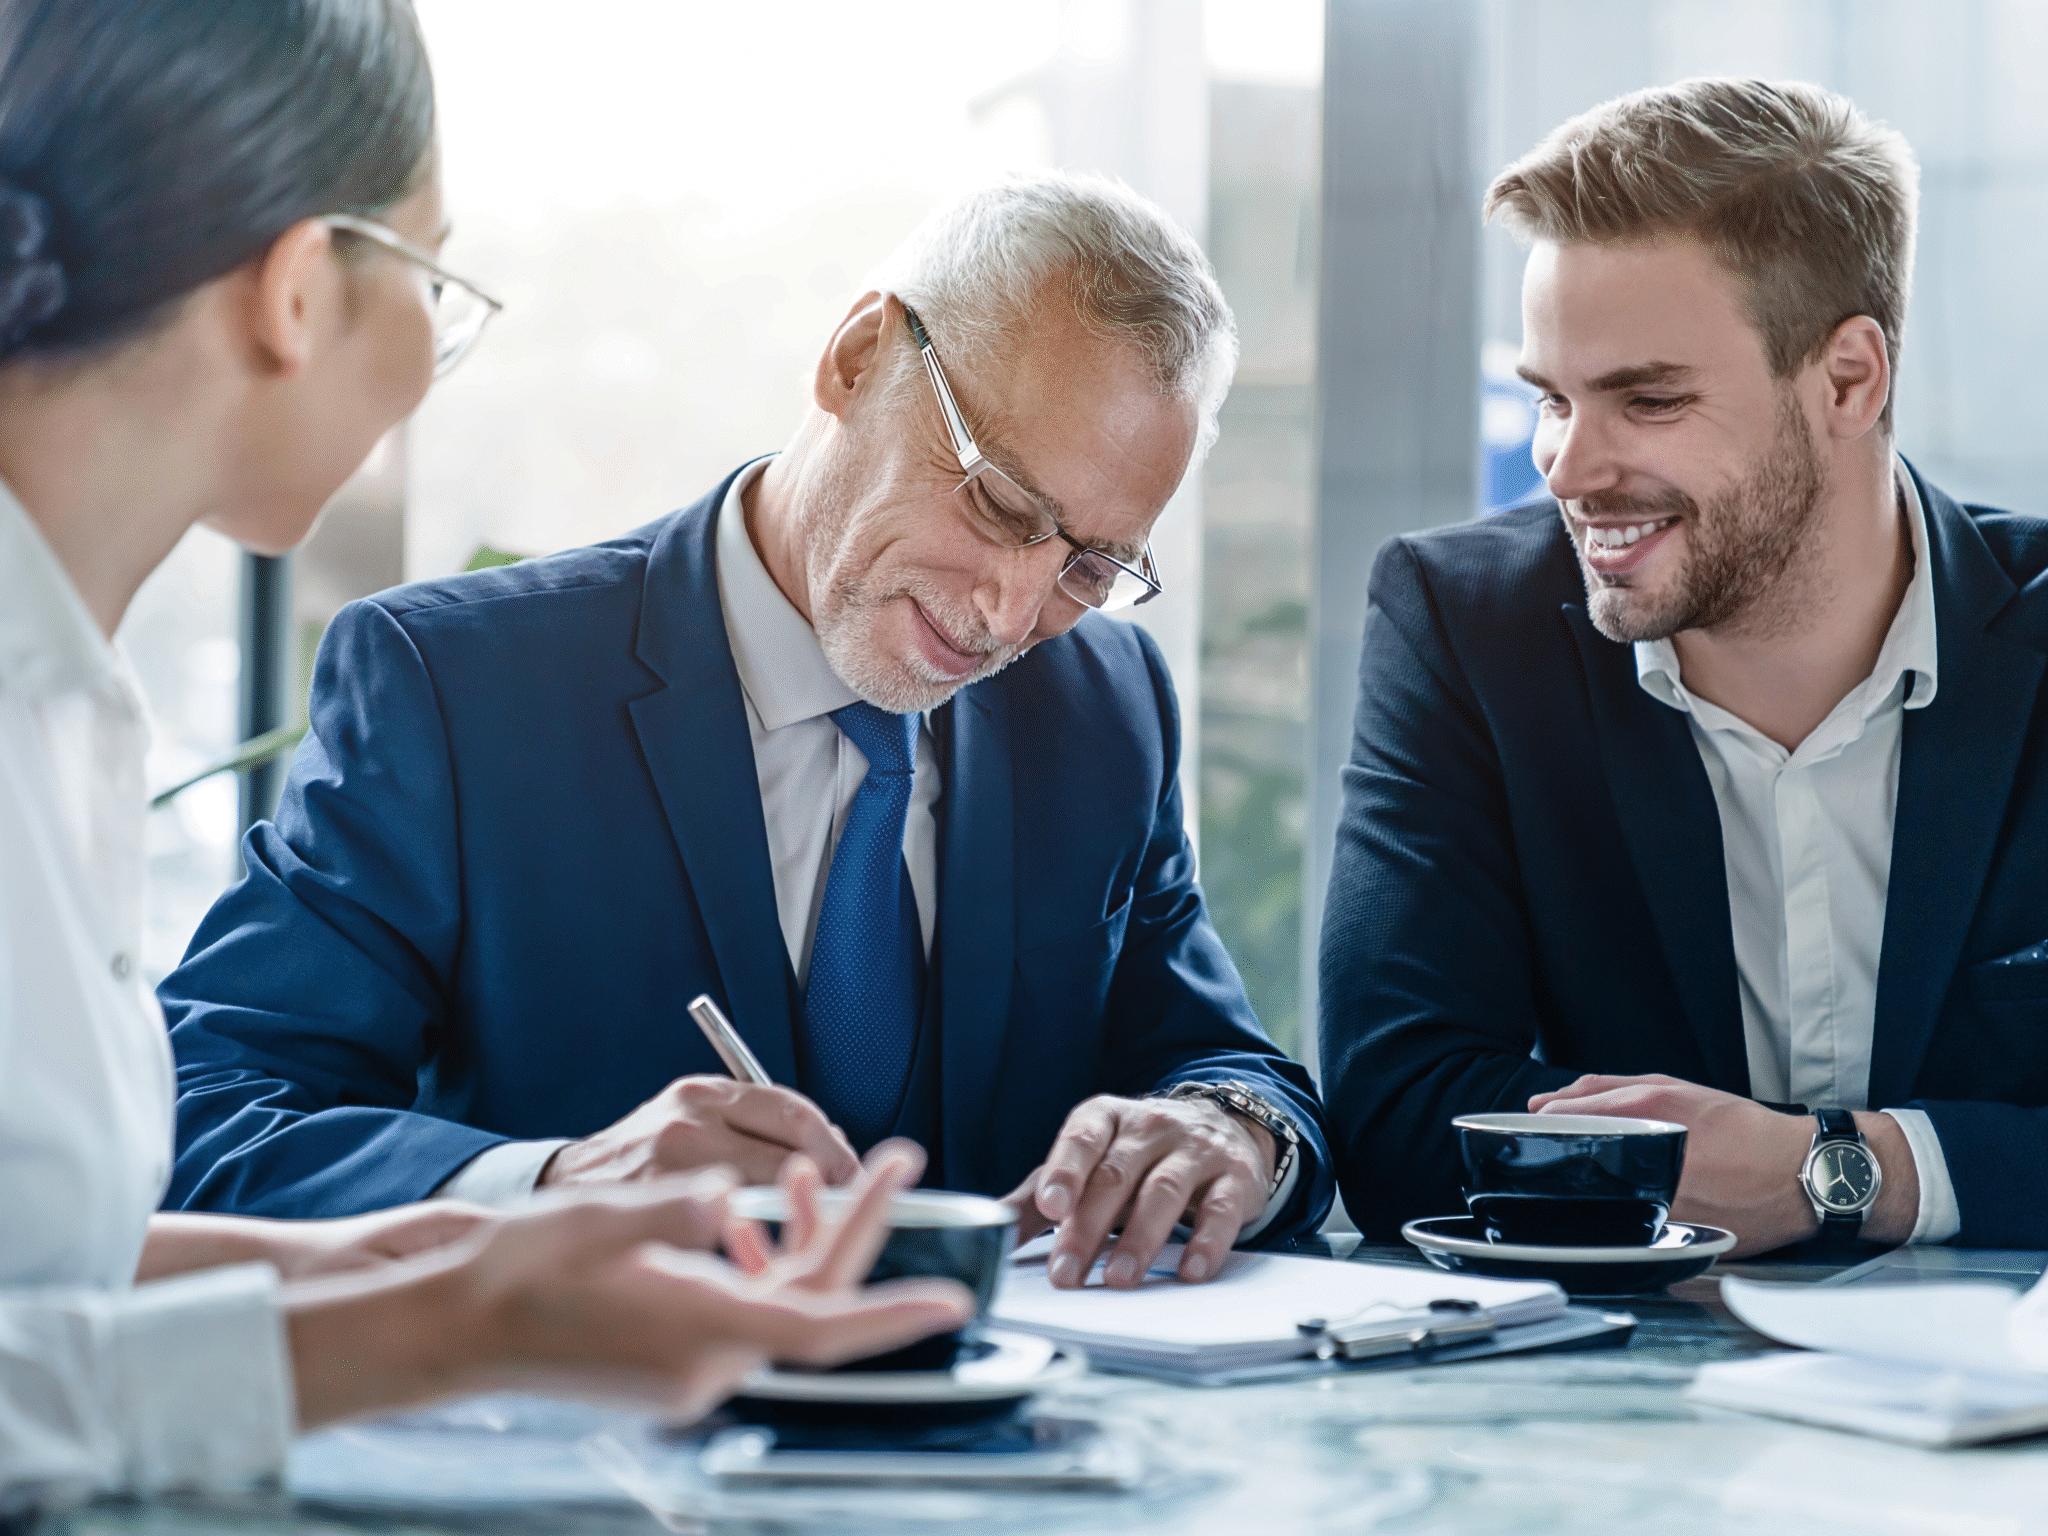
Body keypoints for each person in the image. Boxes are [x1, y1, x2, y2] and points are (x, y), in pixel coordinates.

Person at [0, 0, 970, 1511]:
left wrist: (488, 1246)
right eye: (437, 279)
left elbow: (41, 1271)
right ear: (299, 291)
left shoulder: (64, 691)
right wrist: (459, 1326)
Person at [160, 172, 1335, 1290]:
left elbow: (1223, 1064)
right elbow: (204, 1104)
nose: (1013, 615)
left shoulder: (1101, 705)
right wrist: (551, 1185)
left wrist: (1223, 1133)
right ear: (858, 358)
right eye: (997, 505)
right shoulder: (458, 689)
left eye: (1088, 564)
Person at [1319, 77, 2048, 1256]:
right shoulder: (1460, 627)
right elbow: (1395, 1108)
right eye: (1550, 398)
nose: (1564, 466)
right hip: (1615, 1409)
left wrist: (1840, 1173)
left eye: (1645, 400)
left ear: (1846, 381)